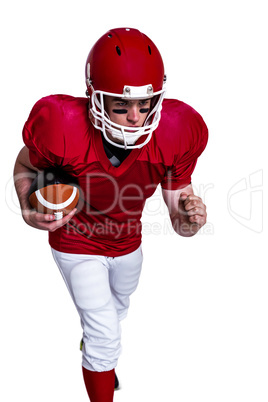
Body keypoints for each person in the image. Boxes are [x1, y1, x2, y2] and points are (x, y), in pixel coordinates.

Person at [14, 27, 208, 402]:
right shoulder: (61, 125)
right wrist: (26, 205)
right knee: (105, 333)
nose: (135, 117)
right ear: (95, 98)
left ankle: (96, 343)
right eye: (121, 105)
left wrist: (189, 218)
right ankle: (101, 363)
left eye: (144, 104)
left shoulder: (177, 130)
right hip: (77, 239)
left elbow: (178, 217)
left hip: (128, 241)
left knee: (117, 307)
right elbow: (26, 160)